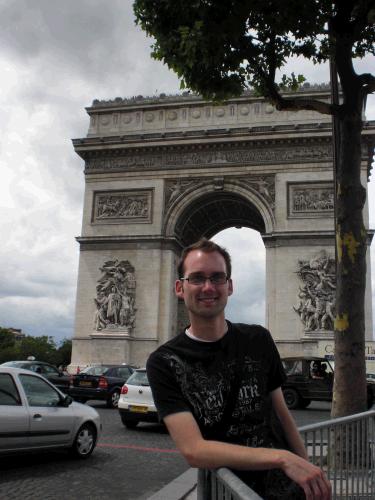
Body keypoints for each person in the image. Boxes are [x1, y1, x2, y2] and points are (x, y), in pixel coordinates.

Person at [147, 239, 331, 500]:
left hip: (288, 491)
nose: (208, 287)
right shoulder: (163, 362)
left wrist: (309, 473)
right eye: (197, 278)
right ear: (180, 287)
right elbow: (193, 450)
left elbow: (283, 416)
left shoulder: (259, 339)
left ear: (229, 286)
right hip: (227, 493)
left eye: (217, 277)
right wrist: (283, 458)